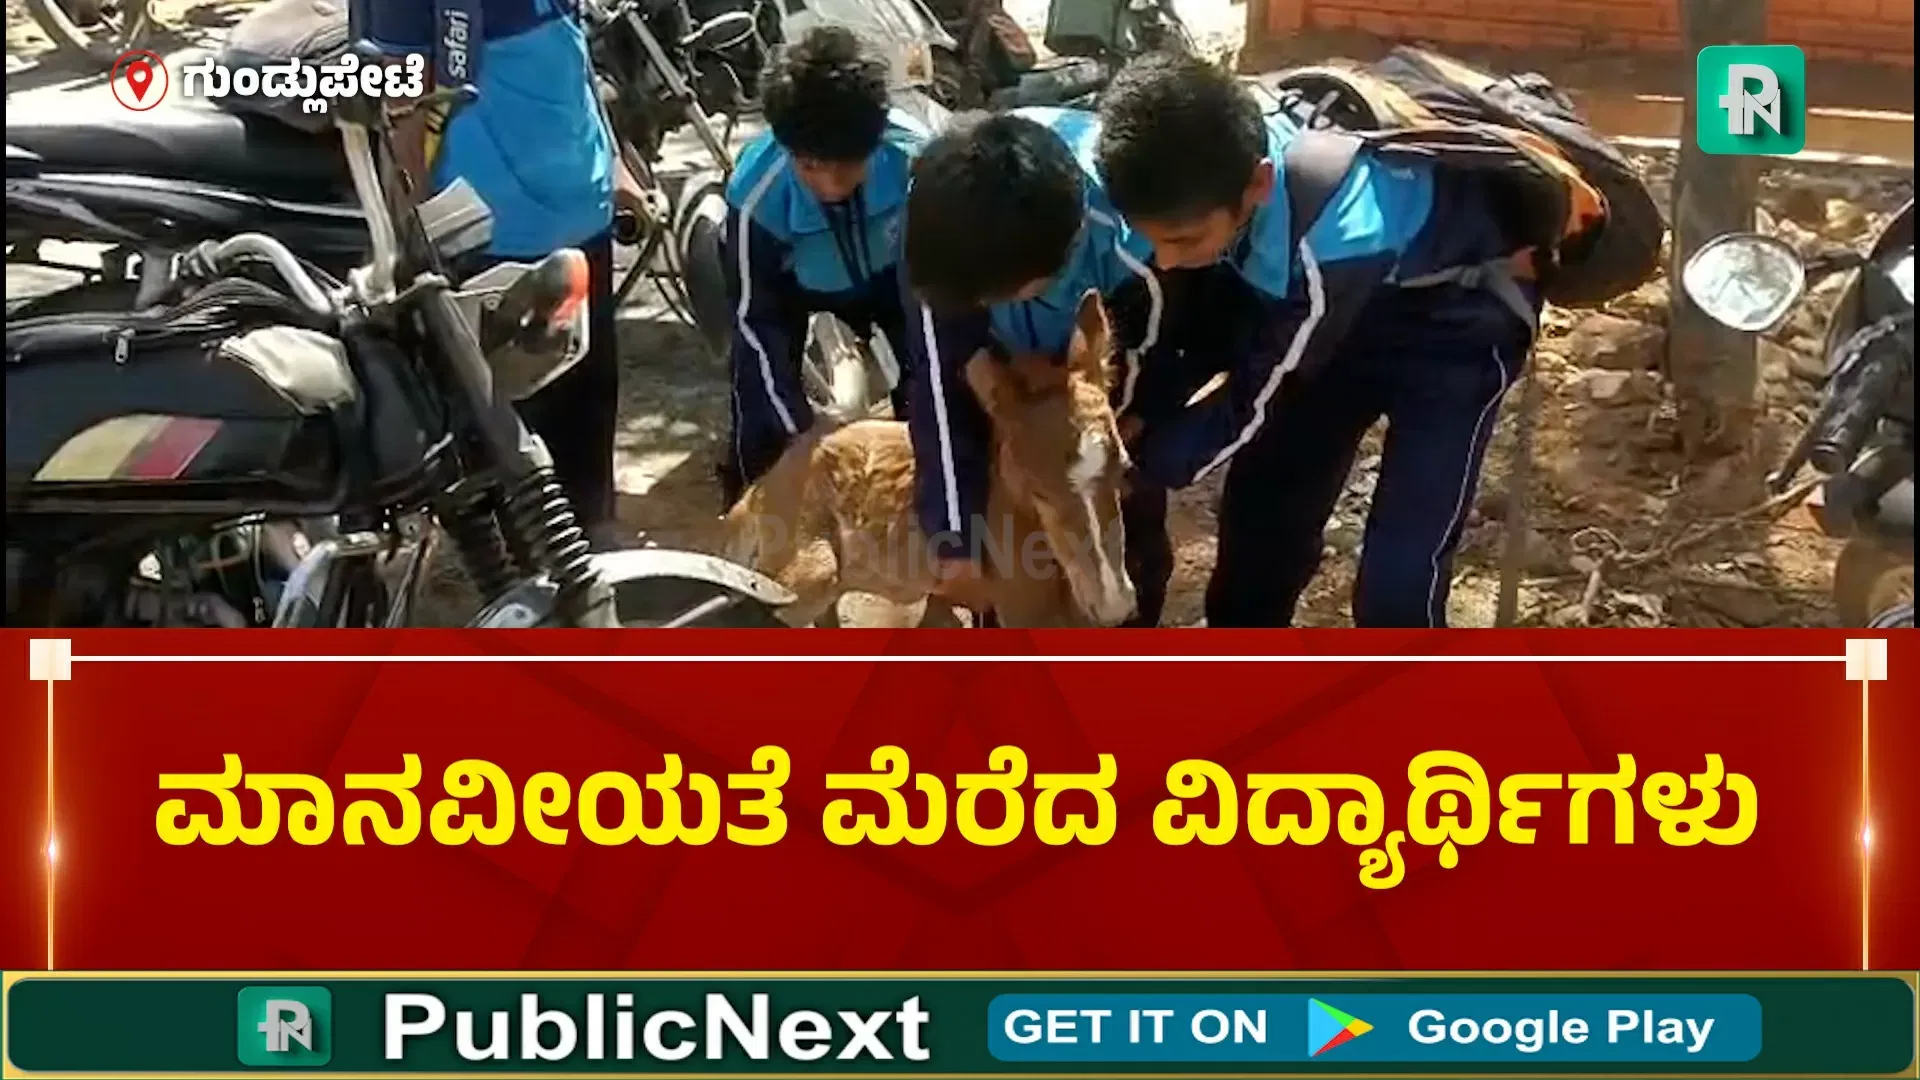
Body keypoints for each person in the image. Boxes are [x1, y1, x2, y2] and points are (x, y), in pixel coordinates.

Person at [1093, 51, 1545, 627]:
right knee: (1261, 532)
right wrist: (1146, 415)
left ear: (1258, 183)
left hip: (1457, 328)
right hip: (1325, 319)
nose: (1165, 260)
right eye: (1152, 240)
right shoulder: (1208, 160)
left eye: (1182, 240)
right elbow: (1221, 329)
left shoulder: (1333, 238)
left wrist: (1140, 463)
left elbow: (1259, 394)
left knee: (1400, 574)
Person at [359, 0, 634, 548]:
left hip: (584, 210)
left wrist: (617, 166)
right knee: (509, 417)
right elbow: (402, 105)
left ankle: (595, 530)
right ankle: (528, 560)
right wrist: (408, 223)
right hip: (492, 232)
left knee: (591, 388)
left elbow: (573, 58)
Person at [899, 108, 1177, 625]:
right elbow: (938, 381)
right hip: (1006, 390)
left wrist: (1113, 422)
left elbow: (1159, 358)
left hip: (1097, 389)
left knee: (1126, 525)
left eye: (998, 295)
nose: (985, 304)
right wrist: (953, 535)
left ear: (1061, 260)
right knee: (1004, 548)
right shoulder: (941, 232)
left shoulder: (1133, 240)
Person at [718, 26, 933, 508]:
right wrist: (797, 435)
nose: (832, 184)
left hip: (897, 278)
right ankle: (747, 510)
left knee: (933, 393)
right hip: (794, 286)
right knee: (761, 409)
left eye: (849, 165)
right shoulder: (756, 196)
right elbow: (756, 329)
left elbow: (944, 308)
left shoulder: (917, 162)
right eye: (812, 166)